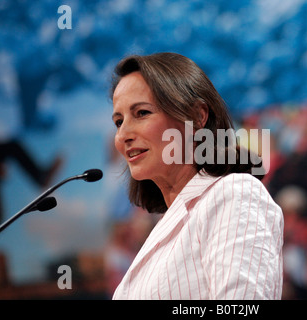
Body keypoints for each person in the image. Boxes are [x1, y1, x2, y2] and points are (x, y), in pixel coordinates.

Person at [110, 52, 284, 300]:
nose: (122, 135)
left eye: (141, 113)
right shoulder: (165, 227)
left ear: (196, 117)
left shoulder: (235, 194)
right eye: (118, 121)